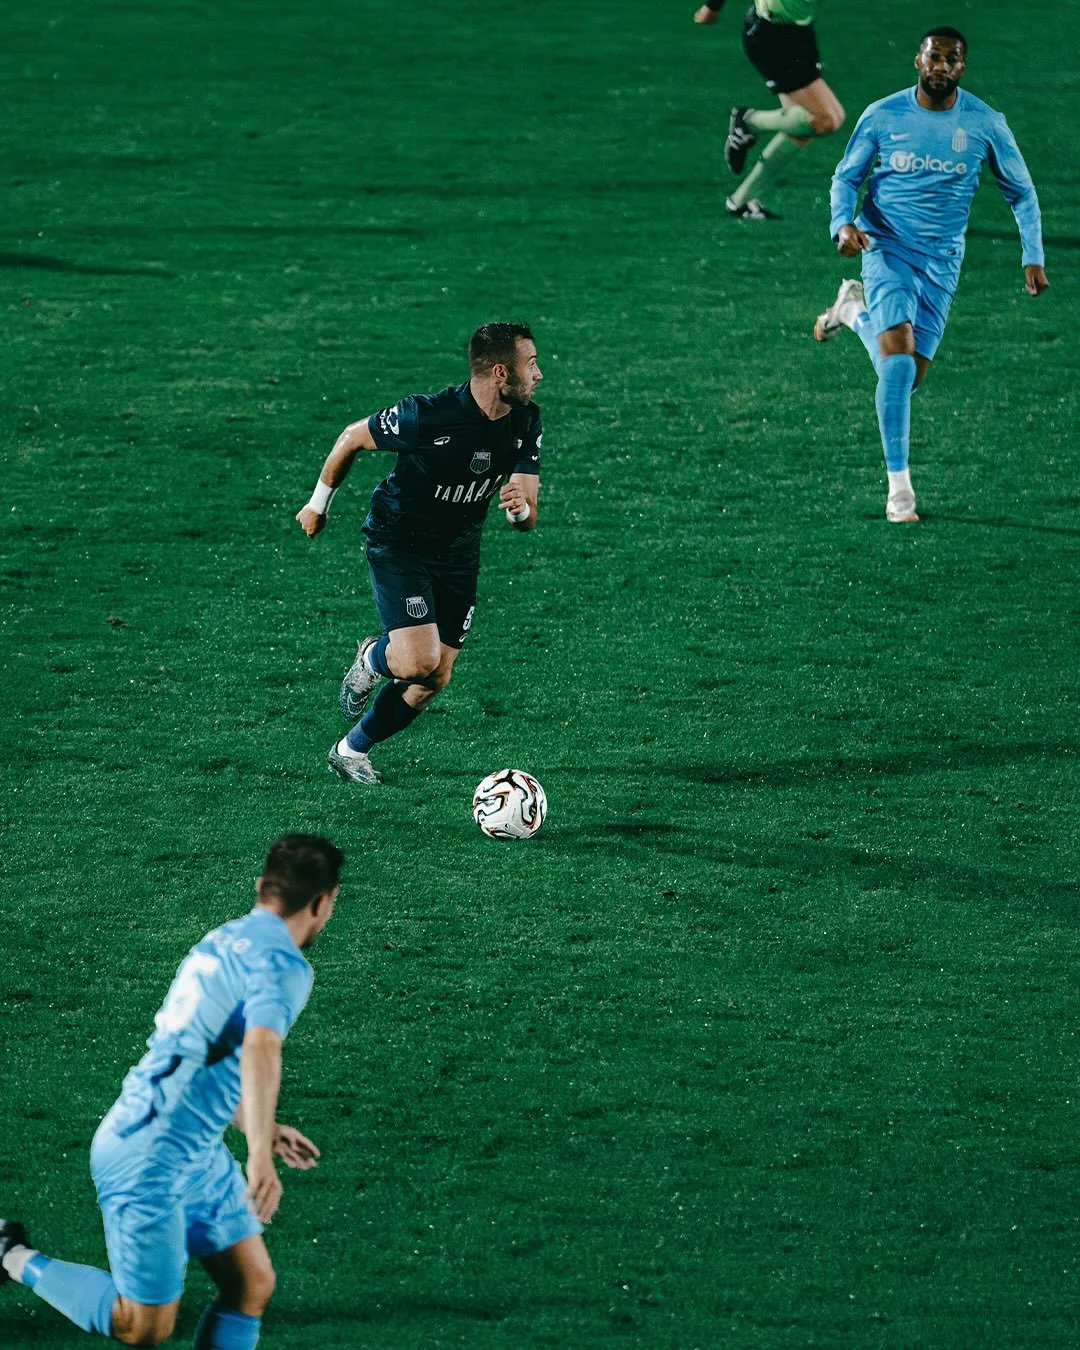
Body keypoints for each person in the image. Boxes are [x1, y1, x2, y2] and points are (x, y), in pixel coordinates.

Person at [0, 834, 343, 1348]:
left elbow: (194, 1058)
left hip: (190, 1145)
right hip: (148, 1153)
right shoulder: (284, 964)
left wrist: (259, 1125)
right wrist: (257, 1157)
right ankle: (11, 1254)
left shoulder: (222, 939)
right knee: (143, 1326)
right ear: (323, 902)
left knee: (251, 1284)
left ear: (261, 888)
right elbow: (260, 1048)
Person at [813, 26, 1048, 521]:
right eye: (934, 57)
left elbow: (1021, 192)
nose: (941, 66)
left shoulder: (984, 123)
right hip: (886, 247)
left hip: (941, 261)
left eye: (952, 60)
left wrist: (1033, 255)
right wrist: (842, 224)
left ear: (962, 68)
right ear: (917, 62)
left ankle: (852, 311)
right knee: (896, 363)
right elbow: (847, 176)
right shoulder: (882, 115)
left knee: (907, 377)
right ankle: (900, 491)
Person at [296, 322, 543, 786]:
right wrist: (317, 505)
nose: (539, 374)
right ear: (499, 373)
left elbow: (527, 515)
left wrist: (518, 509)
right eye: (530, 364)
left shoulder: (526, 420)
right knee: (415, 660)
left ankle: (350, 751)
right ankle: (373, 658)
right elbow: (352, 436)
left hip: (458, 555)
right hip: (399, 543)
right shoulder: (427, 415)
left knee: (435, 677)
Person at [694, 0, 844, 220]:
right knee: (827, 119)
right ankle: (749, 121)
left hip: (795, 31)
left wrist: (712, 8)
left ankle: (740, 201)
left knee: (802, 128)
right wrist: (713, 6)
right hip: (775, 36)